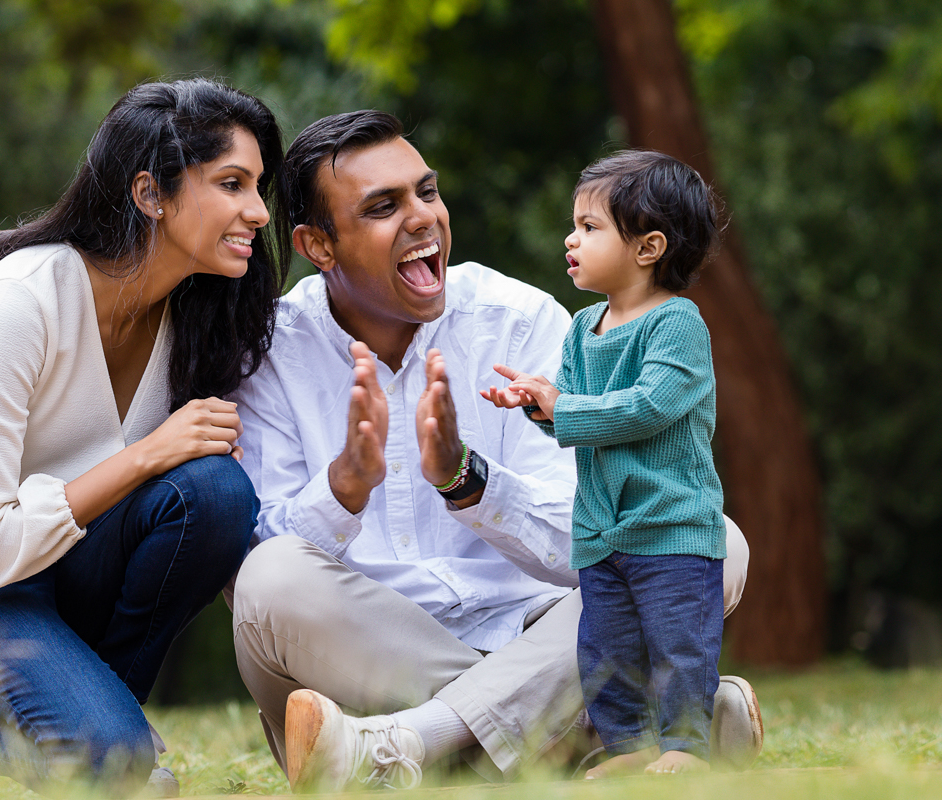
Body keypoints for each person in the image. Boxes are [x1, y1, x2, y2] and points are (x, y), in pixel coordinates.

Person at [229, 111, 762, 791]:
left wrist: (468, 482)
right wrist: (342, 489)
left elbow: (593, 531)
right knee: (268, 578)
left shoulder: (521, 321)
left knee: (710, 538)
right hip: (377, 651)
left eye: (427, 192)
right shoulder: (270, 354)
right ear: (318, 246)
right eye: (384, 207)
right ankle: (595, 729)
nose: (423, 218)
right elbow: (259, 561)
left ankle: (410, 744)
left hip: (538, 625)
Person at [0, 78, 291, 798]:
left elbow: (195, 513)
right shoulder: (20, 301)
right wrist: (148, 454)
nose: (257, 211)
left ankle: (26, 723)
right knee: (119, 763)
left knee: (217, 492)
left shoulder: (198, 316)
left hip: (70, 560)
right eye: (231, 183)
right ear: (149, 194)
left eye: (258, 187)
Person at [483, 150, 727, 777]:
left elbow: (647, 408)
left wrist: (563, 407)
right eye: (575, 224)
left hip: (669, 526)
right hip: (600, 531)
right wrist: (534, 403)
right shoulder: (582, 327)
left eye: (590, 227)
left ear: (648, 248)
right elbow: (572, 416)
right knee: (605, 651)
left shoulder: (677, 324)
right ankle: (630, 747)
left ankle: (686, 746)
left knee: (679, 646)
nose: (571, 239)